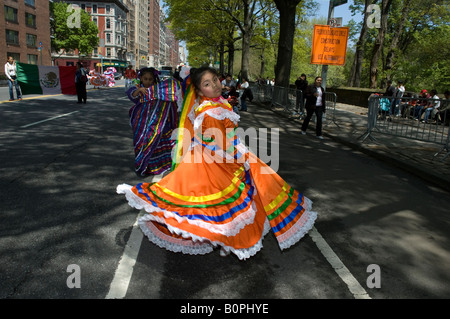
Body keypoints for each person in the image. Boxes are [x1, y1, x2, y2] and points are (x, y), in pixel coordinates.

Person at [117, 66, 317, 260]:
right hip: (213, 162)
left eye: (215, 79)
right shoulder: (211, 110)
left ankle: (222, 239)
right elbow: (220, 143)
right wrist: (242, 157)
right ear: (199, 90)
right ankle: (225, 239)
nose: (214, 85)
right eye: (207, 83)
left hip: (214, 156)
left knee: (218, 205)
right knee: (217, 205)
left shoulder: (218, 103)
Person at [126, 67, 179, 177]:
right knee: (142, 141)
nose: (148, 81)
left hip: (156, 120)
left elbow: (171, 91)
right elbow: (132, 95)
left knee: (157, 139)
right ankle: (145, 164)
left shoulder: (157, 89)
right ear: (140, 78)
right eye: (145, 79)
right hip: (141, 121)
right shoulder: (137, 88)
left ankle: (158, 165)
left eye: (150, 79)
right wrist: (139, 90)